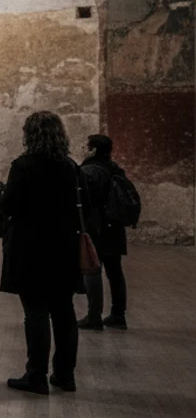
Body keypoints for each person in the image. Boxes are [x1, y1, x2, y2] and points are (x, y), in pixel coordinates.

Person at [0, 111, 89, 395]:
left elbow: (8, 205)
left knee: (35, 312)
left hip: (31, 248)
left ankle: (36, 375)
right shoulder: (71, 167)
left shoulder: (23, 166)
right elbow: (84, 203)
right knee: (64, 312)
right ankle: (65, 375)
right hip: (64, 247)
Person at [78, 135, 131, 331]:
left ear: (92, 149)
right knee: (115, 271)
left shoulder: (89, 171)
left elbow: (85, 201)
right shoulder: (115, 168)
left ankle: (94, 315)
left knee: (92, 269)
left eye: (86, 146)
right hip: (114, 227)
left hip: (96, 228)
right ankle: (118, 314)